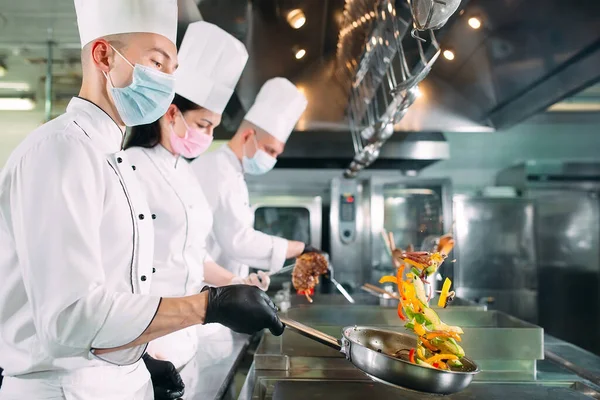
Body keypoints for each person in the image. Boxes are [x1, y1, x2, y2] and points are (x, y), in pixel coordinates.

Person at [0, 2, 283, 399]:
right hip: (66, 388)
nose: (167, 83)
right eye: (157, 63)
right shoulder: (61, 151)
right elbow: (70, 317)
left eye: (172, 70)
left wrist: (139, 357)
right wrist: (210, 306)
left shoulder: (112, 157)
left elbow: (123, 288)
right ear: (103, 56)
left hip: (115, 381)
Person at [124, 21, 270, 397]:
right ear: (171, 113)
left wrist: (238, 285)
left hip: (186, 340)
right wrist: (139, 351)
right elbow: (121, 266)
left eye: (212, 127)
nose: (206, 136)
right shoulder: (133, 166)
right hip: (147, 346)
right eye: (202, 124)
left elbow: (191, 255)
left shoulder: (185, 173)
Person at [191, 78, 320, 278]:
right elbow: (238, 241)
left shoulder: (233, 172)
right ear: (247, 136)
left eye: (276, 154)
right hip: (203, 290)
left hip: (221, 288)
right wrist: (297, 248)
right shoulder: (218, 170)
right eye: (269, 150)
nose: (272, 159)